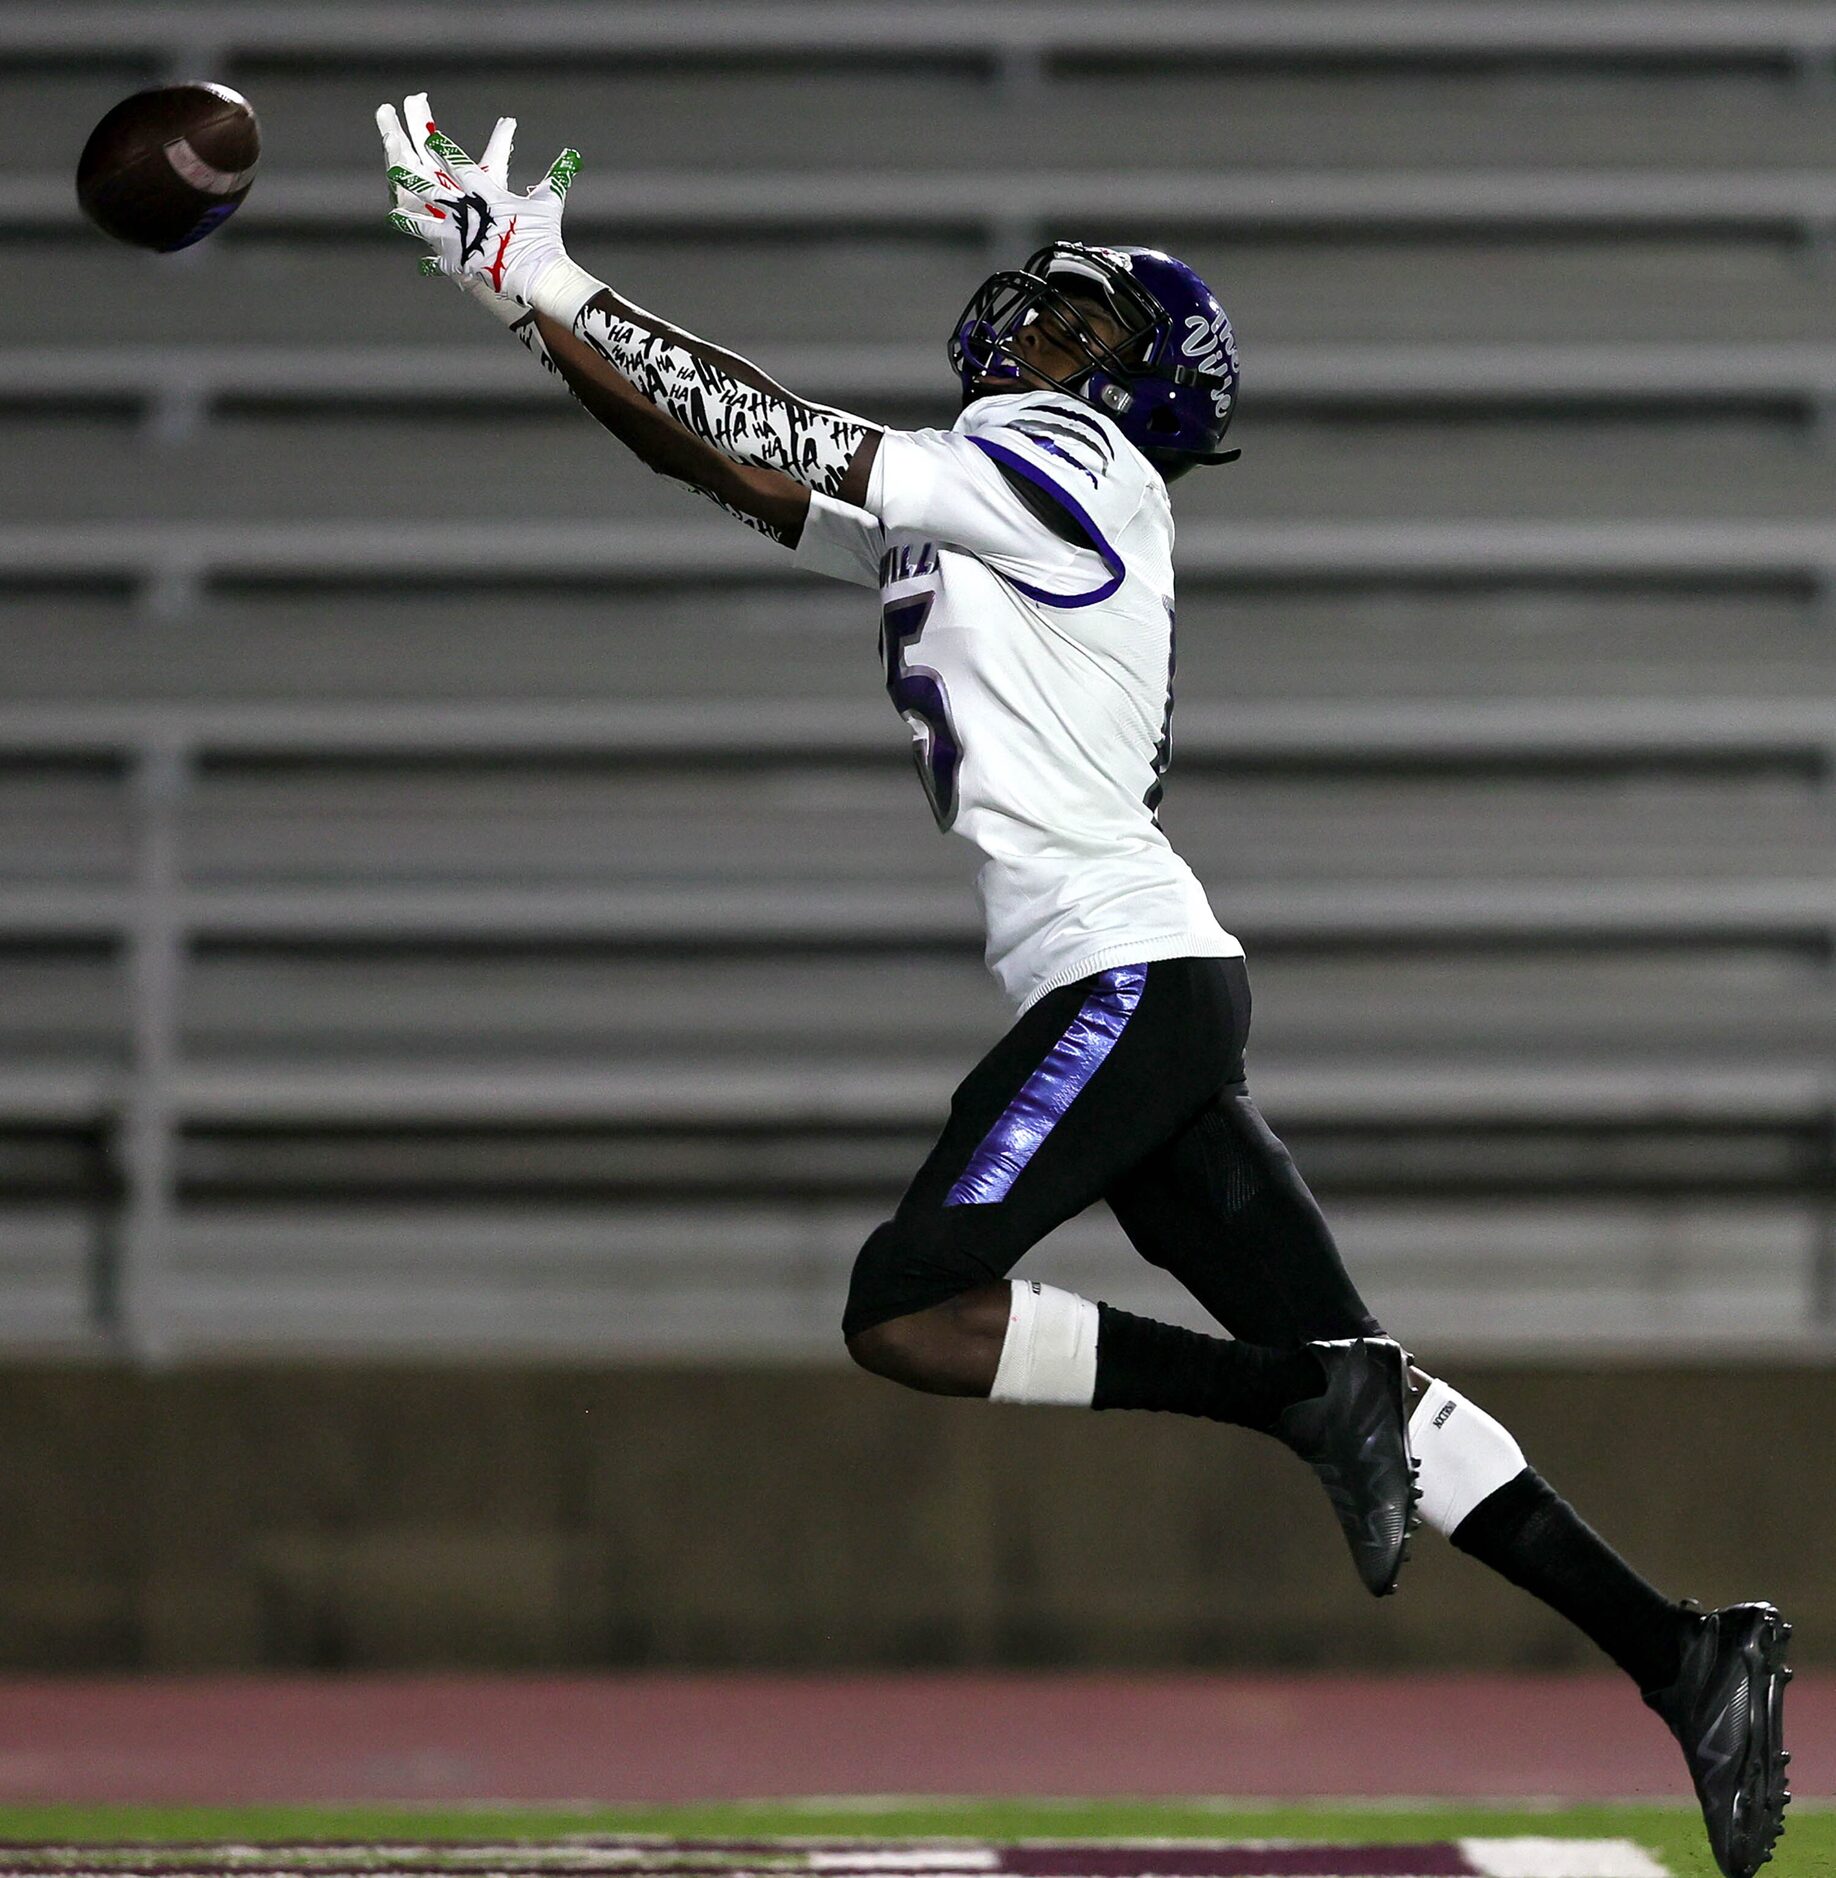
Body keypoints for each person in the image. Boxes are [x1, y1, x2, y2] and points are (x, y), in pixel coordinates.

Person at [377, 98, 1791, 1877]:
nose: (1041, 332)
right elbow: (723, 465)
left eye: (1086, 330)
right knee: (1369, 1370)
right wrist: (529, 316)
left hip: (1122, 973)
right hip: (1160, 978)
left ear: (1130, 397)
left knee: (913, 1305)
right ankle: (1687, 1652)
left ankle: (1294, 1405)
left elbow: (784, 428)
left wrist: (558, 272)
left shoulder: (1067, 460)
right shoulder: (989, 496)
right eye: (1045, 313)